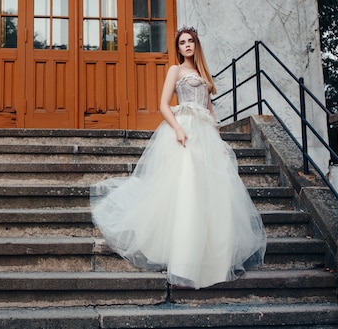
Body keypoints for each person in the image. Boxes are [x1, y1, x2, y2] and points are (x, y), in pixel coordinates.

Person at [90, 26, 267, 289]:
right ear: (178, 47)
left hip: (205, 133)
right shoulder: (176, 70)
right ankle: (184, 260)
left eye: (190, 41)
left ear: (196, 44)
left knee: (209, 194)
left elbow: (210, 110)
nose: (186, 45)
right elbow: (163, 105)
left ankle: (210, 261)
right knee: (186, 189)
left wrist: (218, 141)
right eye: (182, 42)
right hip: (184, 130)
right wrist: (178, 129)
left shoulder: (203, 73)